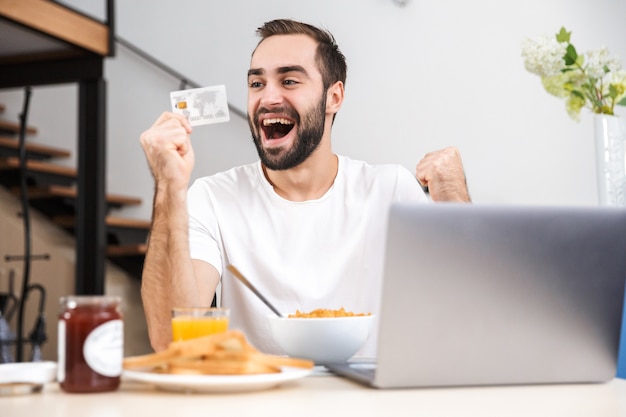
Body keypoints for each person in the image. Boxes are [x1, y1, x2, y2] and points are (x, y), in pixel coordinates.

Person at [139, 18, 471, 356]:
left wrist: (455, 203)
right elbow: (171, 339)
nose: (268, 98)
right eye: (257, 83)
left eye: (289, 80)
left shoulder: (390, 190)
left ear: (334, 96)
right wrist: (168, 187)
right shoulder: (212, 197)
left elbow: (466, 314)